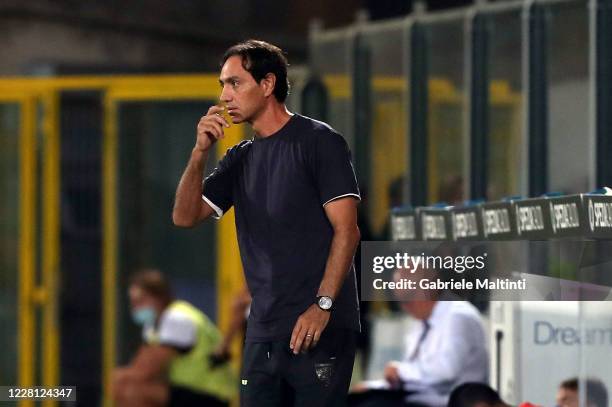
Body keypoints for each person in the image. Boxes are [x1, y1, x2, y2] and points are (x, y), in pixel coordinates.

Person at [172, 39, 362, 406]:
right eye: (222, 85)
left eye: (235, 83)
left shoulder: (319, 142)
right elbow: (184, 216)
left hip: (319, 326)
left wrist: (322, 306)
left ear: (268, 84)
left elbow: (347, 230)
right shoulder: (239, 157)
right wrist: (199, 154)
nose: (225, 95)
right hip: (263, 331)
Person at [349, 265, 488, 407]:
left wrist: (400, 371)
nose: (405, 307)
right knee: (356, 399)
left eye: (407, 298)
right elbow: (414, 376)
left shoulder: (458, 317)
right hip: (420, 397)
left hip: (448, 401)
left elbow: (446, 371)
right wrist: (375, 385)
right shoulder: (423, 321)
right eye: (400, 300)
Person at [111, 269, 236, 407]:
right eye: (133, 302)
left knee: (133, 389)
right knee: (125, 384)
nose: (135, 307)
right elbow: (141, 366)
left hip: (211, 395)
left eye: (140, 300)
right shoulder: (153, 325)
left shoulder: (177, 318)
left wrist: (122, 376)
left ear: (159, 297)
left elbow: (146, 371)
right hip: (185, 390)